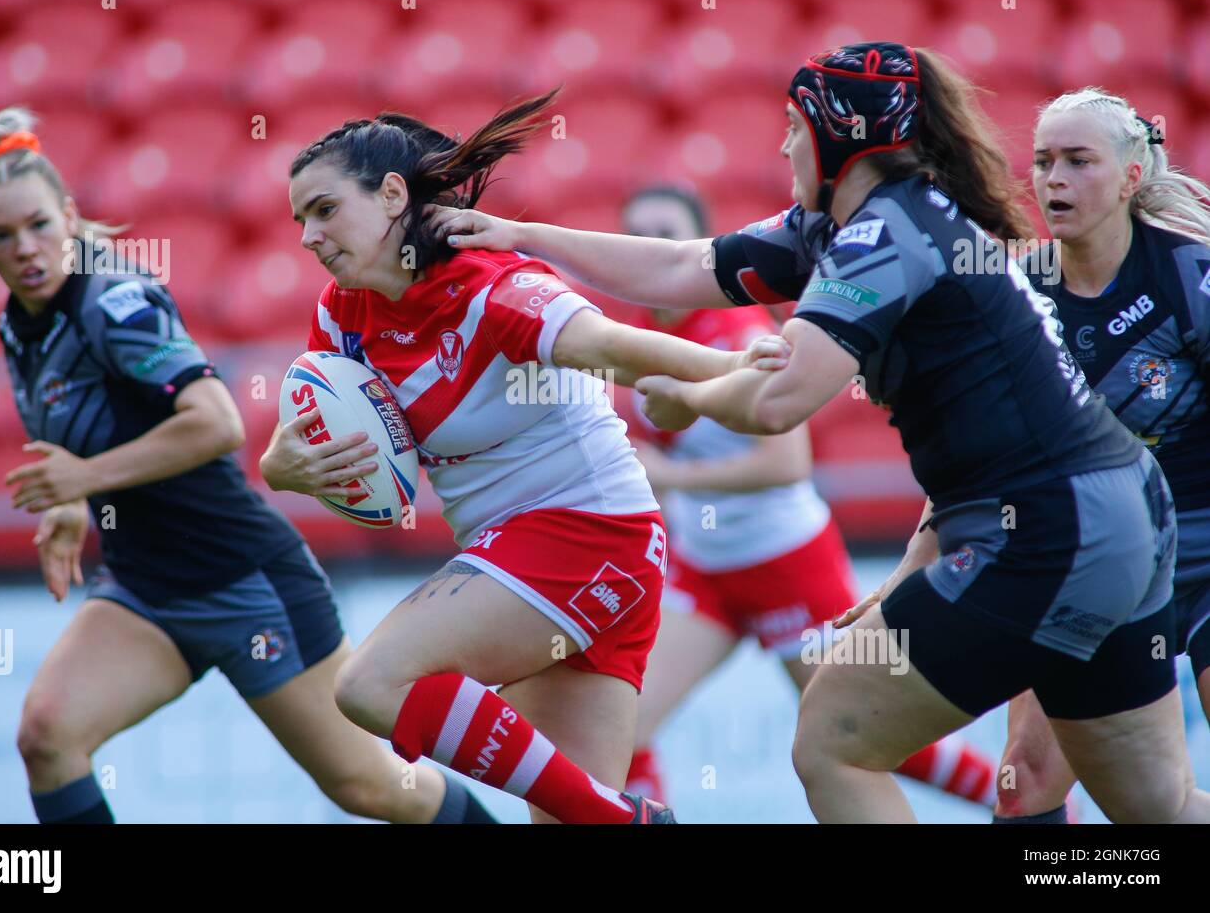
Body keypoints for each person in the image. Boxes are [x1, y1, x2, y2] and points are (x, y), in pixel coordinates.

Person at [429, 43, 1210, 823]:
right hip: (1122, 523)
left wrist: (682, 394)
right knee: (1147, 808)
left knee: (834, 740)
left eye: (794, 126)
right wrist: (522, 236)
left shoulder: (885, 232)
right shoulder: (860, 222)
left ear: (845, 137)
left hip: (1049, 537)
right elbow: (682, 266)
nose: (780, 145)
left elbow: (777, 407)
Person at [259, 91, 785, 823]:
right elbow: (301, 445)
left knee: (370, 684)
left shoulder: (487, 286)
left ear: (389, 196)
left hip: (583, 535)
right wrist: (285, 470)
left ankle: (626, 816)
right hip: (565, 560)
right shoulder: (341, 314)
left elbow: (611, 348)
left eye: (323, 209)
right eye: (299, 221)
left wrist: (731, 369)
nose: (310, 236)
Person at [0, 106, 492, 824]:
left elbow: (215, 423)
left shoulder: (115, 302)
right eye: (2, 236)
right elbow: (68, 440)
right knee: (48, 737)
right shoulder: (18, 323)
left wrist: (84, 482)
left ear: (67, 215)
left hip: (244, 579)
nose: (25, 247)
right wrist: (65, 506)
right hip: (147, 587)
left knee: (369, 787)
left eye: (37, 224)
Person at [619, 185, 997, 811]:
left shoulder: (737, 331)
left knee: (869, 733)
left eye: (665, 235)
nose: (649, 246)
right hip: (705, 567)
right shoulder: (634, 331)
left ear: (689, 249)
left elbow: (785, 463)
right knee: (623, 729)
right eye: (637, 233)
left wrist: (670, 477)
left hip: (787, 562)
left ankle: (1017, 801)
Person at [993, 87, 1210, 823]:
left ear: (1130, 178)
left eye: (1078, 161)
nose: (1053, 179)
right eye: (1043, 161)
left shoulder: (1192, 278)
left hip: (1206, 552)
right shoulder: (1017, 293)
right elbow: (988, 451)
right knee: (1024, 785)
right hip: (1095, 561)